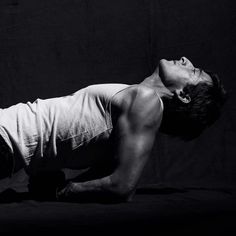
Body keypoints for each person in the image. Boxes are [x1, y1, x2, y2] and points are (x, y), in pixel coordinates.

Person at [0, 57, 226, 202]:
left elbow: (122, 185)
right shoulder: (133, 104)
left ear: (184, 96)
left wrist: (59, 190)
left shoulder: (146, 100)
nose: (186, 60)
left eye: (194, 71)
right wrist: (48, 175)